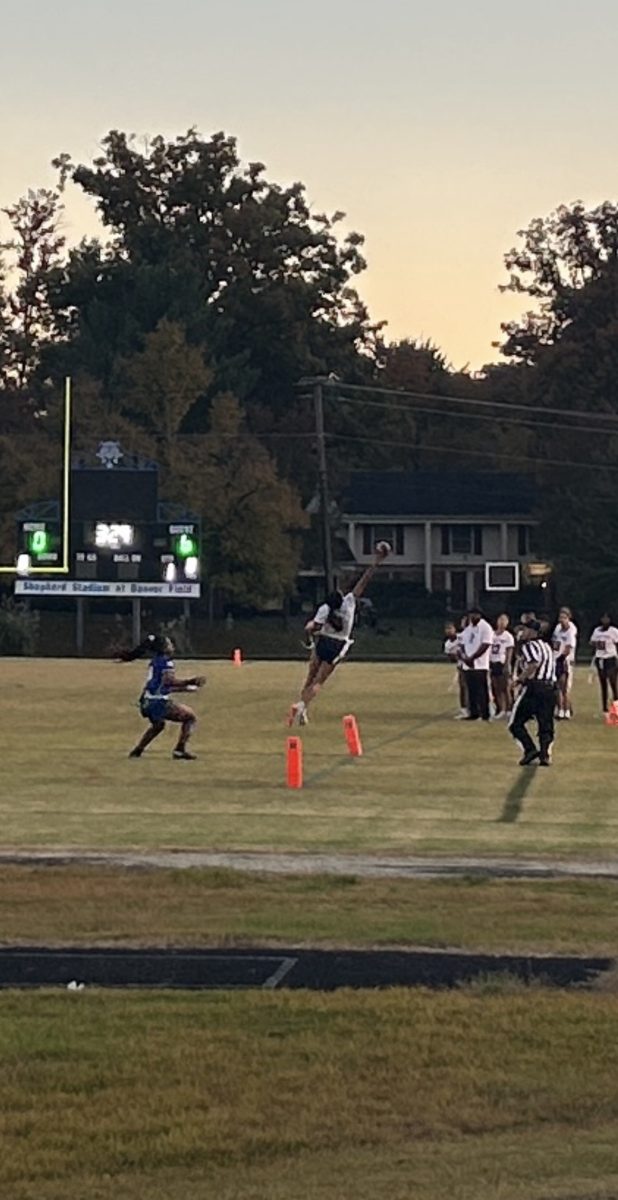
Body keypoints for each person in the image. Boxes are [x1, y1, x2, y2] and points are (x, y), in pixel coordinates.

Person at [287, 543, 390, 726]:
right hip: (338, 645)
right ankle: (303, 706)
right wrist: (377, 561)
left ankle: (303, 708)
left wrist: (309, 627)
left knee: (310, 676)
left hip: (323, 642)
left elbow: (314, 626)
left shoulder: (325, 608)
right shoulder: (349, 603)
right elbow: (364, 580)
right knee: (319, 681)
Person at [118, 634, 206, 760]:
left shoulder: (155, 661)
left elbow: (162, 686)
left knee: (158, 725)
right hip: (157, 703)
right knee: (190, 717)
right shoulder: (166, 662)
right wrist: (190, 681)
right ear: (163, 647)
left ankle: (137, 751)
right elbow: (168, 682)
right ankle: (180, 750)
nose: (172, 646)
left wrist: (185, 689)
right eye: (169, 643)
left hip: (147, 701)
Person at [509, 619, 557, 766]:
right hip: (550, 688)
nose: (522, 633)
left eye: (525, 630)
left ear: (532, 632)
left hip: (535, 688)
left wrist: (519, 680)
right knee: (545, 724)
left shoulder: (529, 646)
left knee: (516, 724)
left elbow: (534, 663)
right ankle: (544, 755)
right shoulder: (547, 646)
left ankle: (530, 749)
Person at [459, 606, 493, 721]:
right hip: (468, 664)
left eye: (474, 615)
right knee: (471, 689)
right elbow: (463, 644)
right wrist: (465, 657)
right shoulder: (468, 628)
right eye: (470, 615)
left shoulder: (485, 627)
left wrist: (473, 657)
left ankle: (485, 713)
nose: (472, 617)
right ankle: (473, 712)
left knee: (481, 690)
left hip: (480, 664)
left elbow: (486, 644)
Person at [552, 607, 577, 720]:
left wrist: (561, 658)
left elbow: (568, 647)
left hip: (564, 660)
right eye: (560, 617)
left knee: (564, 686)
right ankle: (560, 708)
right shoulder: (557, 628)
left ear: (569, 618)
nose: (561, 620)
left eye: (564, 618)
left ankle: (566, 710)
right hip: (556, 658)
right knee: (557, 686)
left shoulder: (571, 630)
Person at [590, 613, 618, 714]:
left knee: (613, 682)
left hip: (610, 657)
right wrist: (597, 644)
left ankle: (616, 706)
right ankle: (604, 707)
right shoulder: (597, 631)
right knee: (603, 683)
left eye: (607, 618)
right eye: (603, 618)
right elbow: (592, 642)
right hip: (600, 658)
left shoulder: (614, 631)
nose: (605, 621)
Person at [490, 613, 515, 719]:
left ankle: (509, 708)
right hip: (493, 662)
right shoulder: (492, 634)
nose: (501, 622)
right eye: (500, 620)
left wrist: (507, 664)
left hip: (501, 662)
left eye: (504, 621)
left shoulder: (508, 636)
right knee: (496, 687)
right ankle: (501, 708)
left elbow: (509, 651)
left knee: (505, 687)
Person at [443, 619, 468, 719]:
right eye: (447, 629)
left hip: (472, 664)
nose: (449, 631)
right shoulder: (448, 644)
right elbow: (451, 659)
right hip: (461, 665)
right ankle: (464, 709)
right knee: (463, 687)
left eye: (450, 628)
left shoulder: (461, 637)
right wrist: (455, 657)